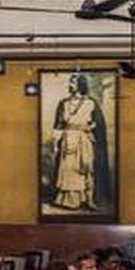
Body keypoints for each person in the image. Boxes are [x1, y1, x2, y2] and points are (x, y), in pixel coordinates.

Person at [51, 73, 110, 212]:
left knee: (84, 169)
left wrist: (90, 127)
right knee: (69, 169)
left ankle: (88, 199)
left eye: (73, 82)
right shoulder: (63, 103)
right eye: (70, 82)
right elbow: (58, 124)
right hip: (67, 139)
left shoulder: (91, 103)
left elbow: (98, 124)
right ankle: (70, 201)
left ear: (80, 85)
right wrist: (55, 143)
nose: (70, 85)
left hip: (84, 140)